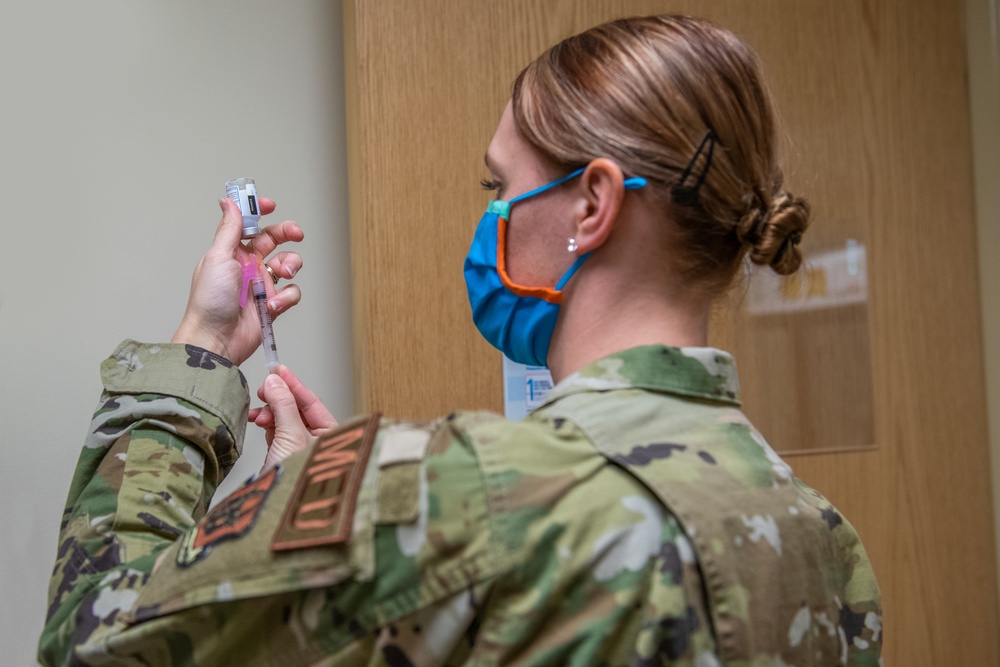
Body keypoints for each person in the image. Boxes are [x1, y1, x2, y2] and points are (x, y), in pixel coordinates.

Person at [39, 14, 881, 667]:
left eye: (500, 185)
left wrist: (199, 358)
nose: (489, 216)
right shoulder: (820, 538)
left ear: (591, 205)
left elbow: (95, 637)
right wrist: (332, 513)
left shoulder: (455, 492)